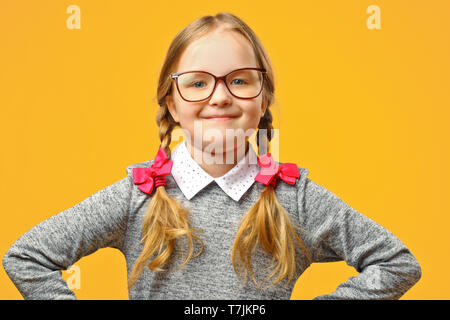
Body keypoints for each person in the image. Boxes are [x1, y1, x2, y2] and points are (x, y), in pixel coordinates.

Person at [2, 12, 421, 300]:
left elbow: (397, 263)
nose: (219, 96)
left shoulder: (297, 199)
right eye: (198, 83)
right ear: (171, 102)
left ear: (264, 98)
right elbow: (26, 258)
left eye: (239, 80)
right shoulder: (139, 195)